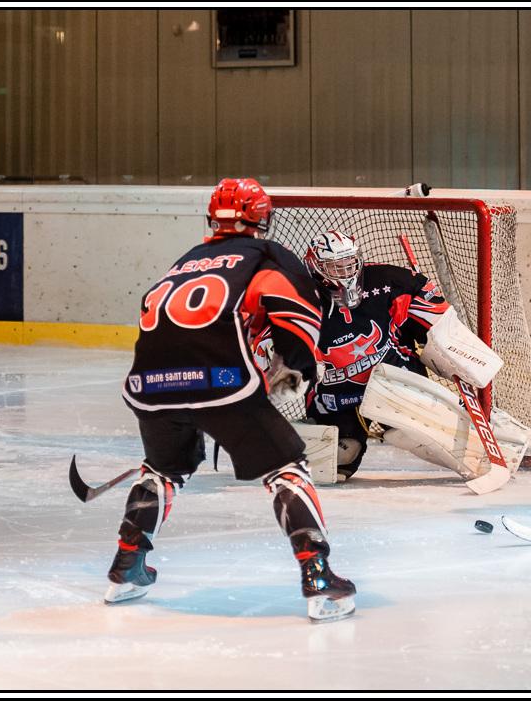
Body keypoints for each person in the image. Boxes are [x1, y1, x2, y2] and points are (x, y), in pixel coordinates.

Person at [107, 178, 356, 622]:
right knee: (287, 468)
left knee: (163, 469)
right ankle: (318, 576)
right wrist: (296, 364)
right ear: (263, 218)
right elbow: (296, 311)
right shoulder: (264, 256)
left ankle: (127, 565)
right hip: (220, 381)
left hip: (149, 383)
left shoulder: (184, 263)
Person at [301, 229, 452, 481]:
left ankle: (470, 451)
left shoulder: (386, 280)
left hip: (393, 380)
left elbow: (435, 311)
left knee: (416, 434)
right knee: (338, 460)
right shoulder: (299, 299)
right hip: (337, 395)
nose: (346, 271)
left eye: (349, 263)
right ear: (316, 267)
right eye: (336, 266)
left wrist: (443, 338)